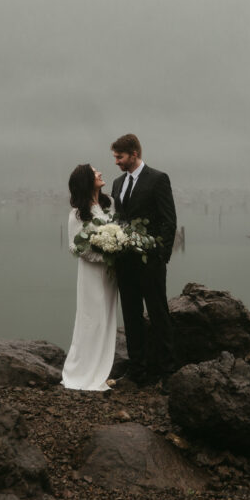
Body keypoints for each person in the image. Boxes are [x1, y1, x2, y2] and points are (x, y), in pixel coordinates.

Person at [111, 133, 176, 387]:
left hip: (151, 263)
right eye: (115, 157)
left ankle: (168, 372)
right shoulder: (117, 184)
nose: (116, 161)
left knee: (159, 315)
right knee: (131, 316)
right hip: (124, 264)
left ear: (134, 154)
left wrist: (161, 256)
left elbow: (169, 221)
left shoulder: (158, 179)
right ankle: (137, 370)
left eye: (120, 157)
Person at [61, 164, 118, 391]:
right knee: (91, 319)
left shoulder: (110, 204)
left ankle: (102, 369)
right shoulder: (77, 215)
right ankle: (82, 371)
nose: (100, 173)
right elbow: (77, 249)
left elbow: (118, 229)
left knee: (107, 318)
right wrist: (106, 254)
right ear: (86, 180)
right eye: (95, 173)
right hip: (92, 273)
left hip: (112, 275)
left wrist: (118, 246)